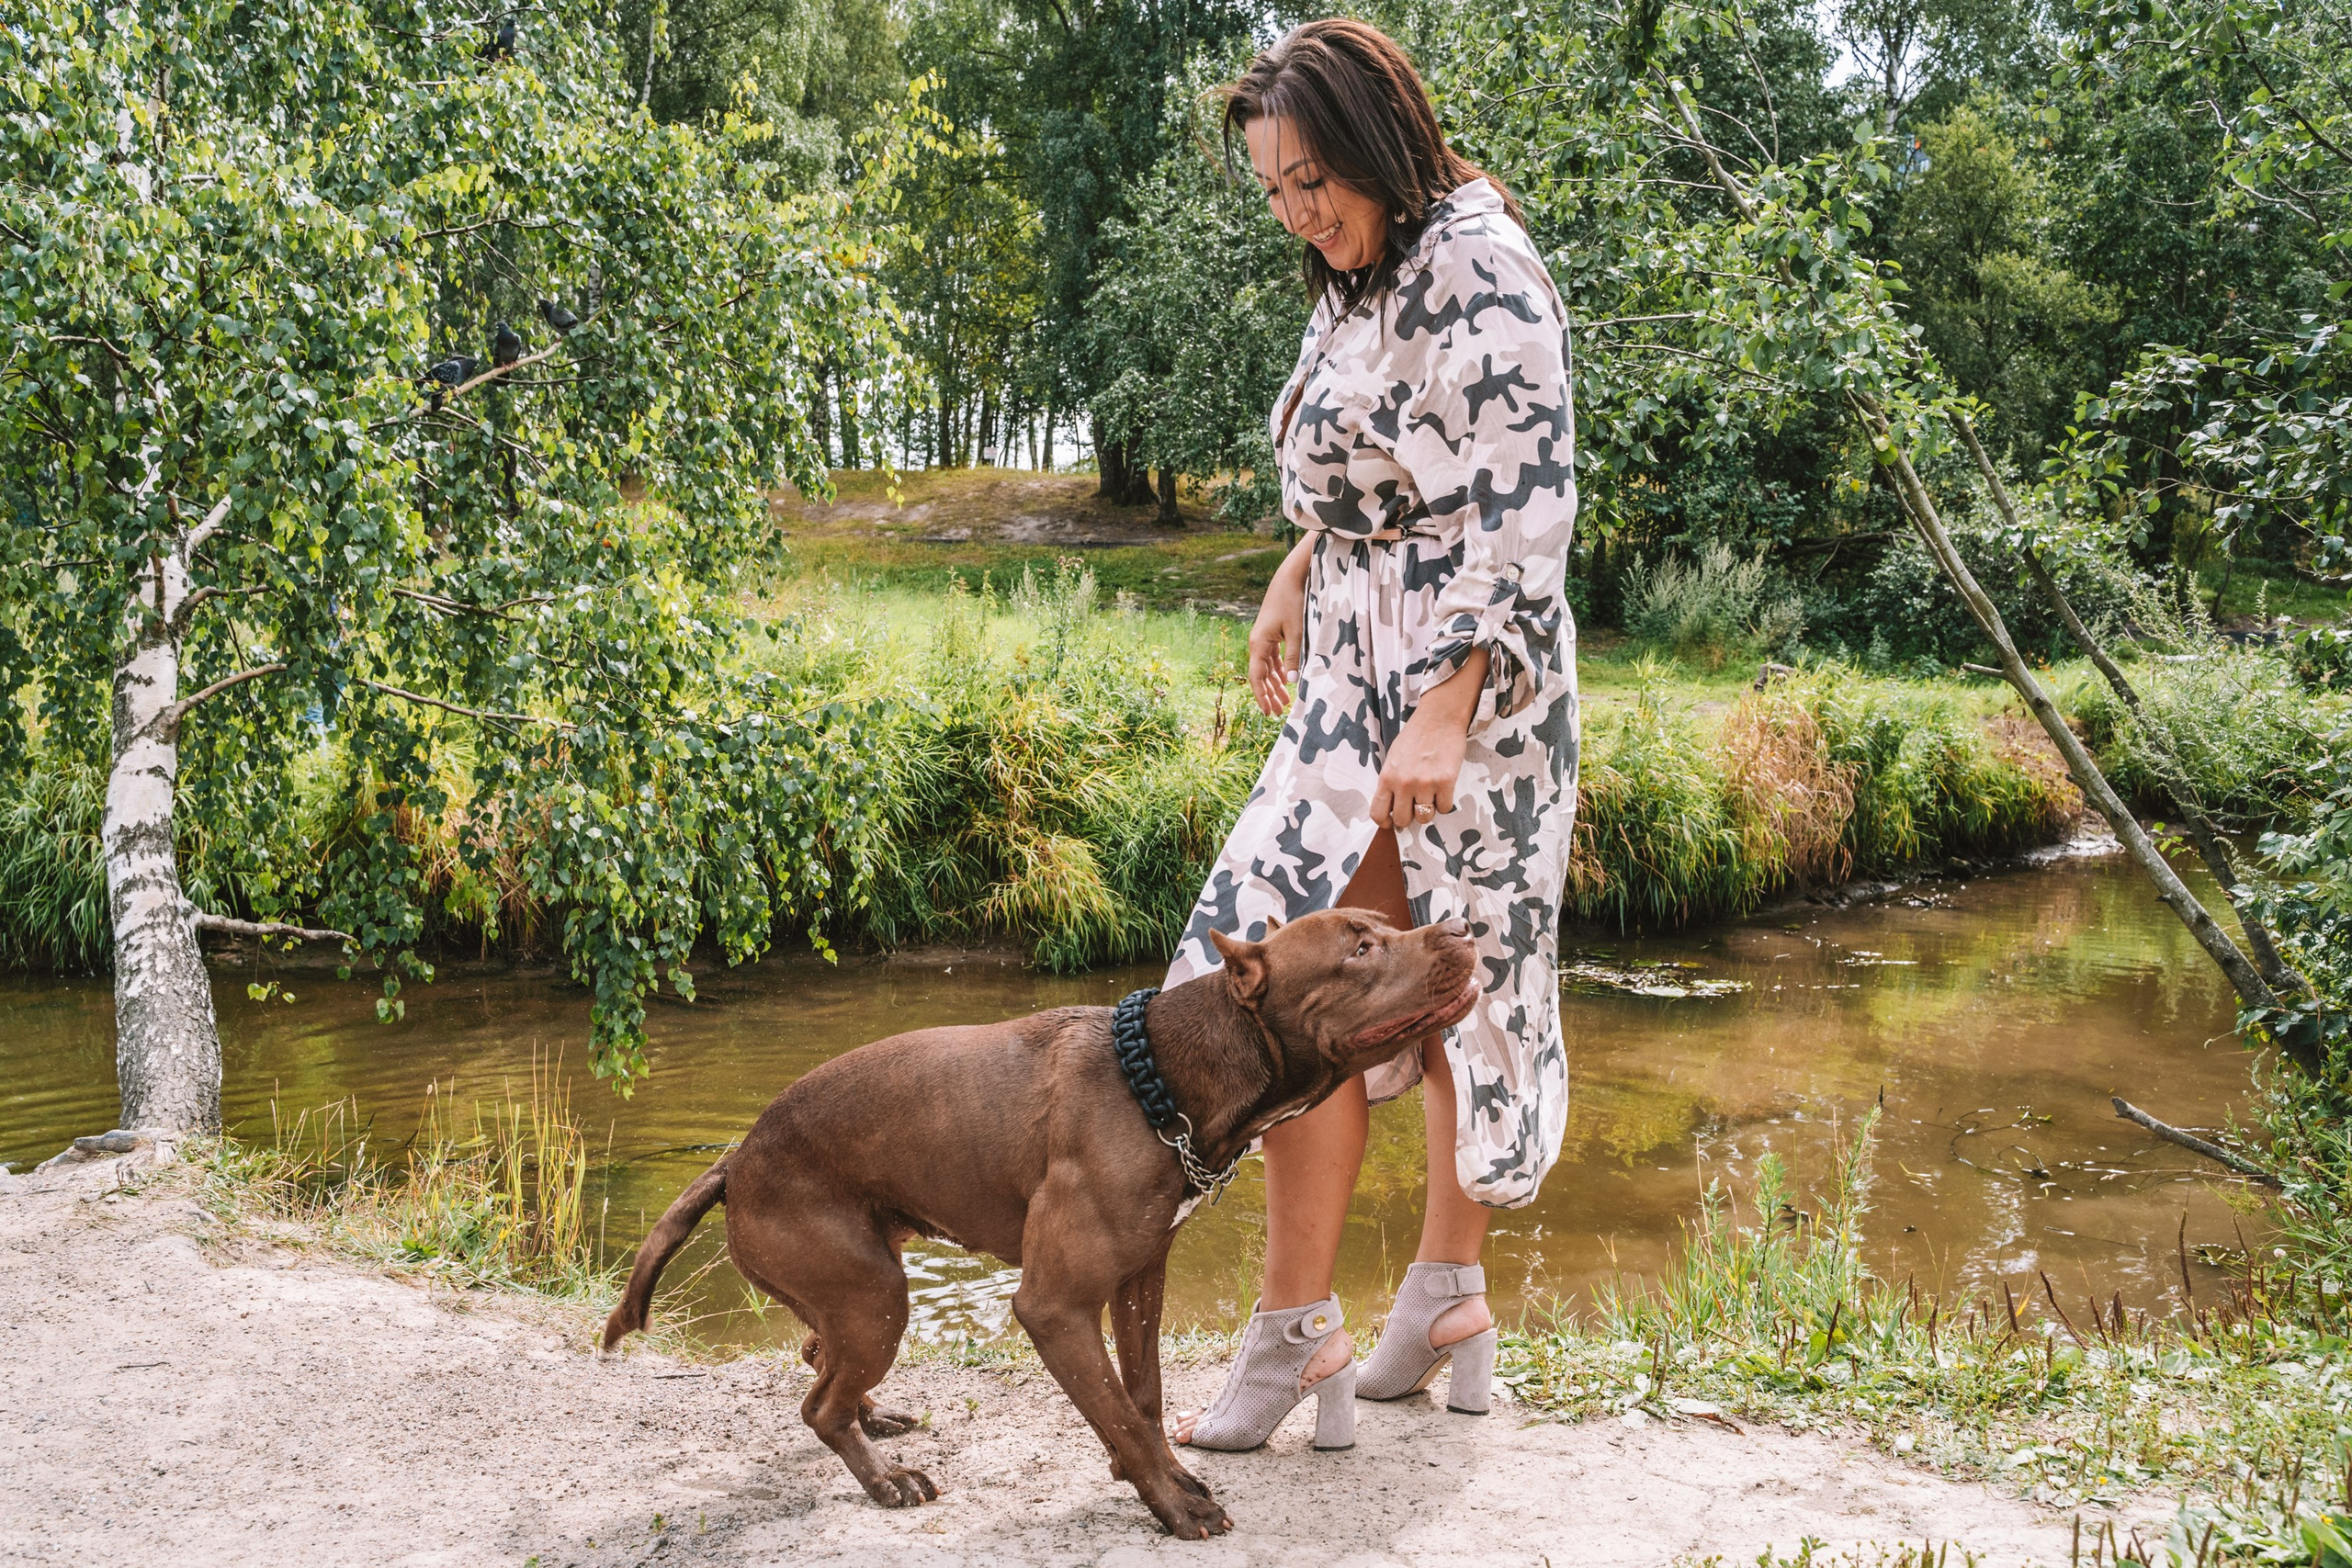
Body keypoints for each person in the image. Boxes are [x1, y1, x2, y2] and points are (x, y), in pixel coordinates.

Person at [1162, 17, 1581, 1450]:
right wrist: (1298, 567)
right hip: (1354, 670)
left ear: (1373, 135)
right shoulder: (1366, 270)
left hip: (1463, 687)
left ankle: (1347, 1319)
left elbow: (1519, 510)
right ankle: (1399, 1309)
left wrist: (1448, 712)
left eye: (1309, 180)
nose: (1296, 211)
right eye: (1274, 190)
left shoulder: (1477, 261)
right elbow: (1374, 468)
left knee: (1434, 977)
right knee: (1293, 985)